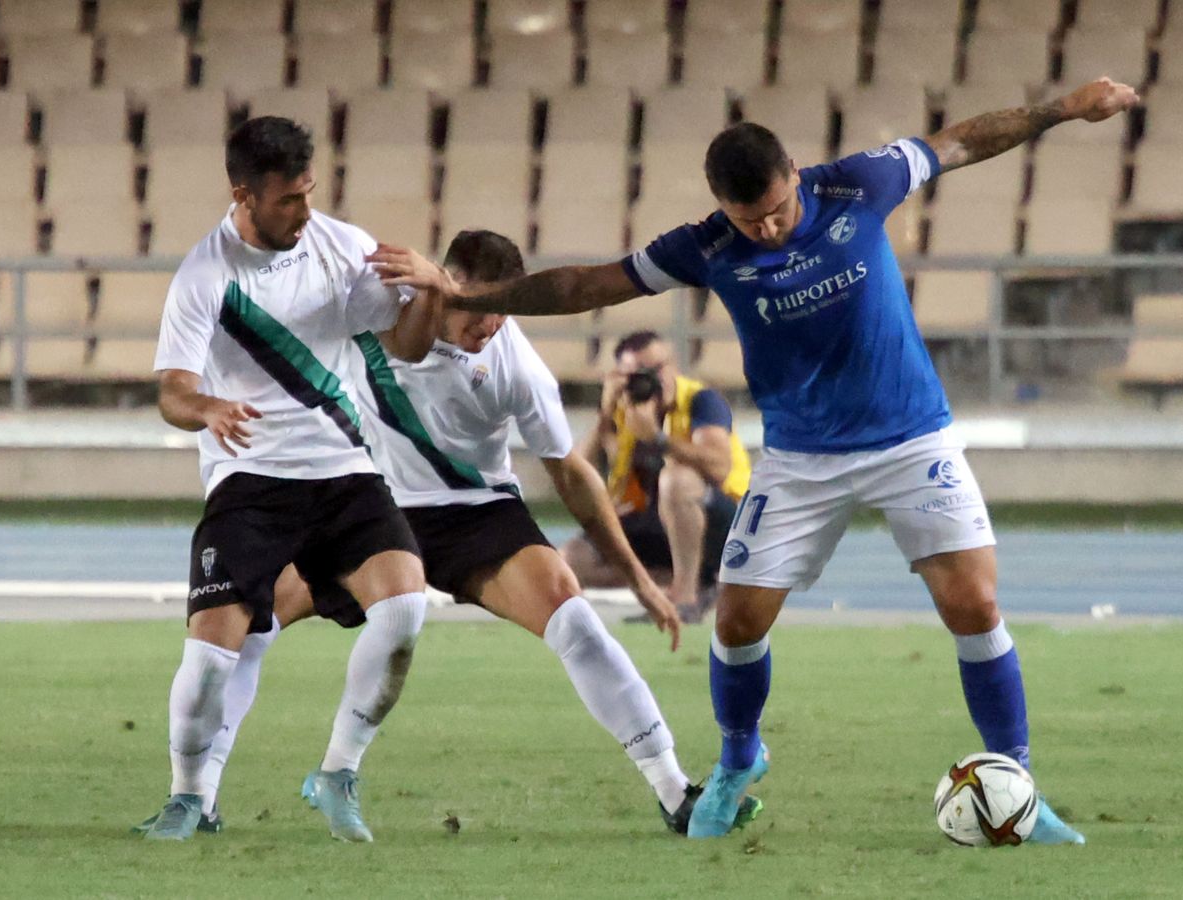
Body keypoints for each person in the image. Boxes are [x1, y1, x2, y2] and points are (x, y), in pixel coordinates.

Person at [380, 77, 1140, 842]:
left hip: (910, 438)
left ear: (794, 176)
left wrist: (1061, 109)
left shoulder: (858, 185)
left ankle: (1018, 785)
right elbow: (587, 284)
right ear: (724, 206)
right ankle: (740, 758)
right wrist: (465, 297)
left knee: (973, 605)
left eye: (778, 209)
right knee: (737, 620)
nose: (769, 229)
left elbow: (963, 142)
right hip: (801, 458)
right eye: (751, 219)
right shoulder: (707, 245)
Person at [191, 230, 762, 836]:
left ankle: (675, 792)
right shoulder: (373, 311)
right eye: (478, 305)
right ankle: (198, 797)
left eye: (504, 308)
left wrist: (641, 581)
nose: (490, 324)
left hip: (474, 511)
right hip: (368, 504)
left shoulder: (518, 366)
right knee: (250, 620)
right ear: (443, 287)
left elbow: (570, 472)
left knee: (574, 618)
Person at [138, 116, 443, 842]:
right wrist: (208, 407)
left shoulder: (341, 245)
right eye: (288, 200)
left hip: (343, 469)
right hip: (250, 478)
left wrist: (431, 291)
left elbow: (406, 345)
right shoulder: (205, 275)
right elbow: (172, 391)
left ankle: (338, 771)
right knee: (211, 660)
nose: (305, 211)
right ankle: (189, 798)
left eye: (309, 193)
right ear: (243, 195)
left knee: (405, 607)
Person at [561, 330, 752, 623]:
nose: (652, 380)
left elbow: (719, 467)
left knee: (677, 480)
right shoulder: (624, 409)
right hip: (655, 523)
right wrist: (604, 412)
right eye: (639, 374)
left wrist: (657, 438)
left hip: (720, 519)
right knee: (570, 561)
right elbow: (573, 476)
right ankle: (682, 584)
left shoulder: (701, 401)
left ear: (673, 366)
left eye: (657, 369)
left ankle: (684, 600)